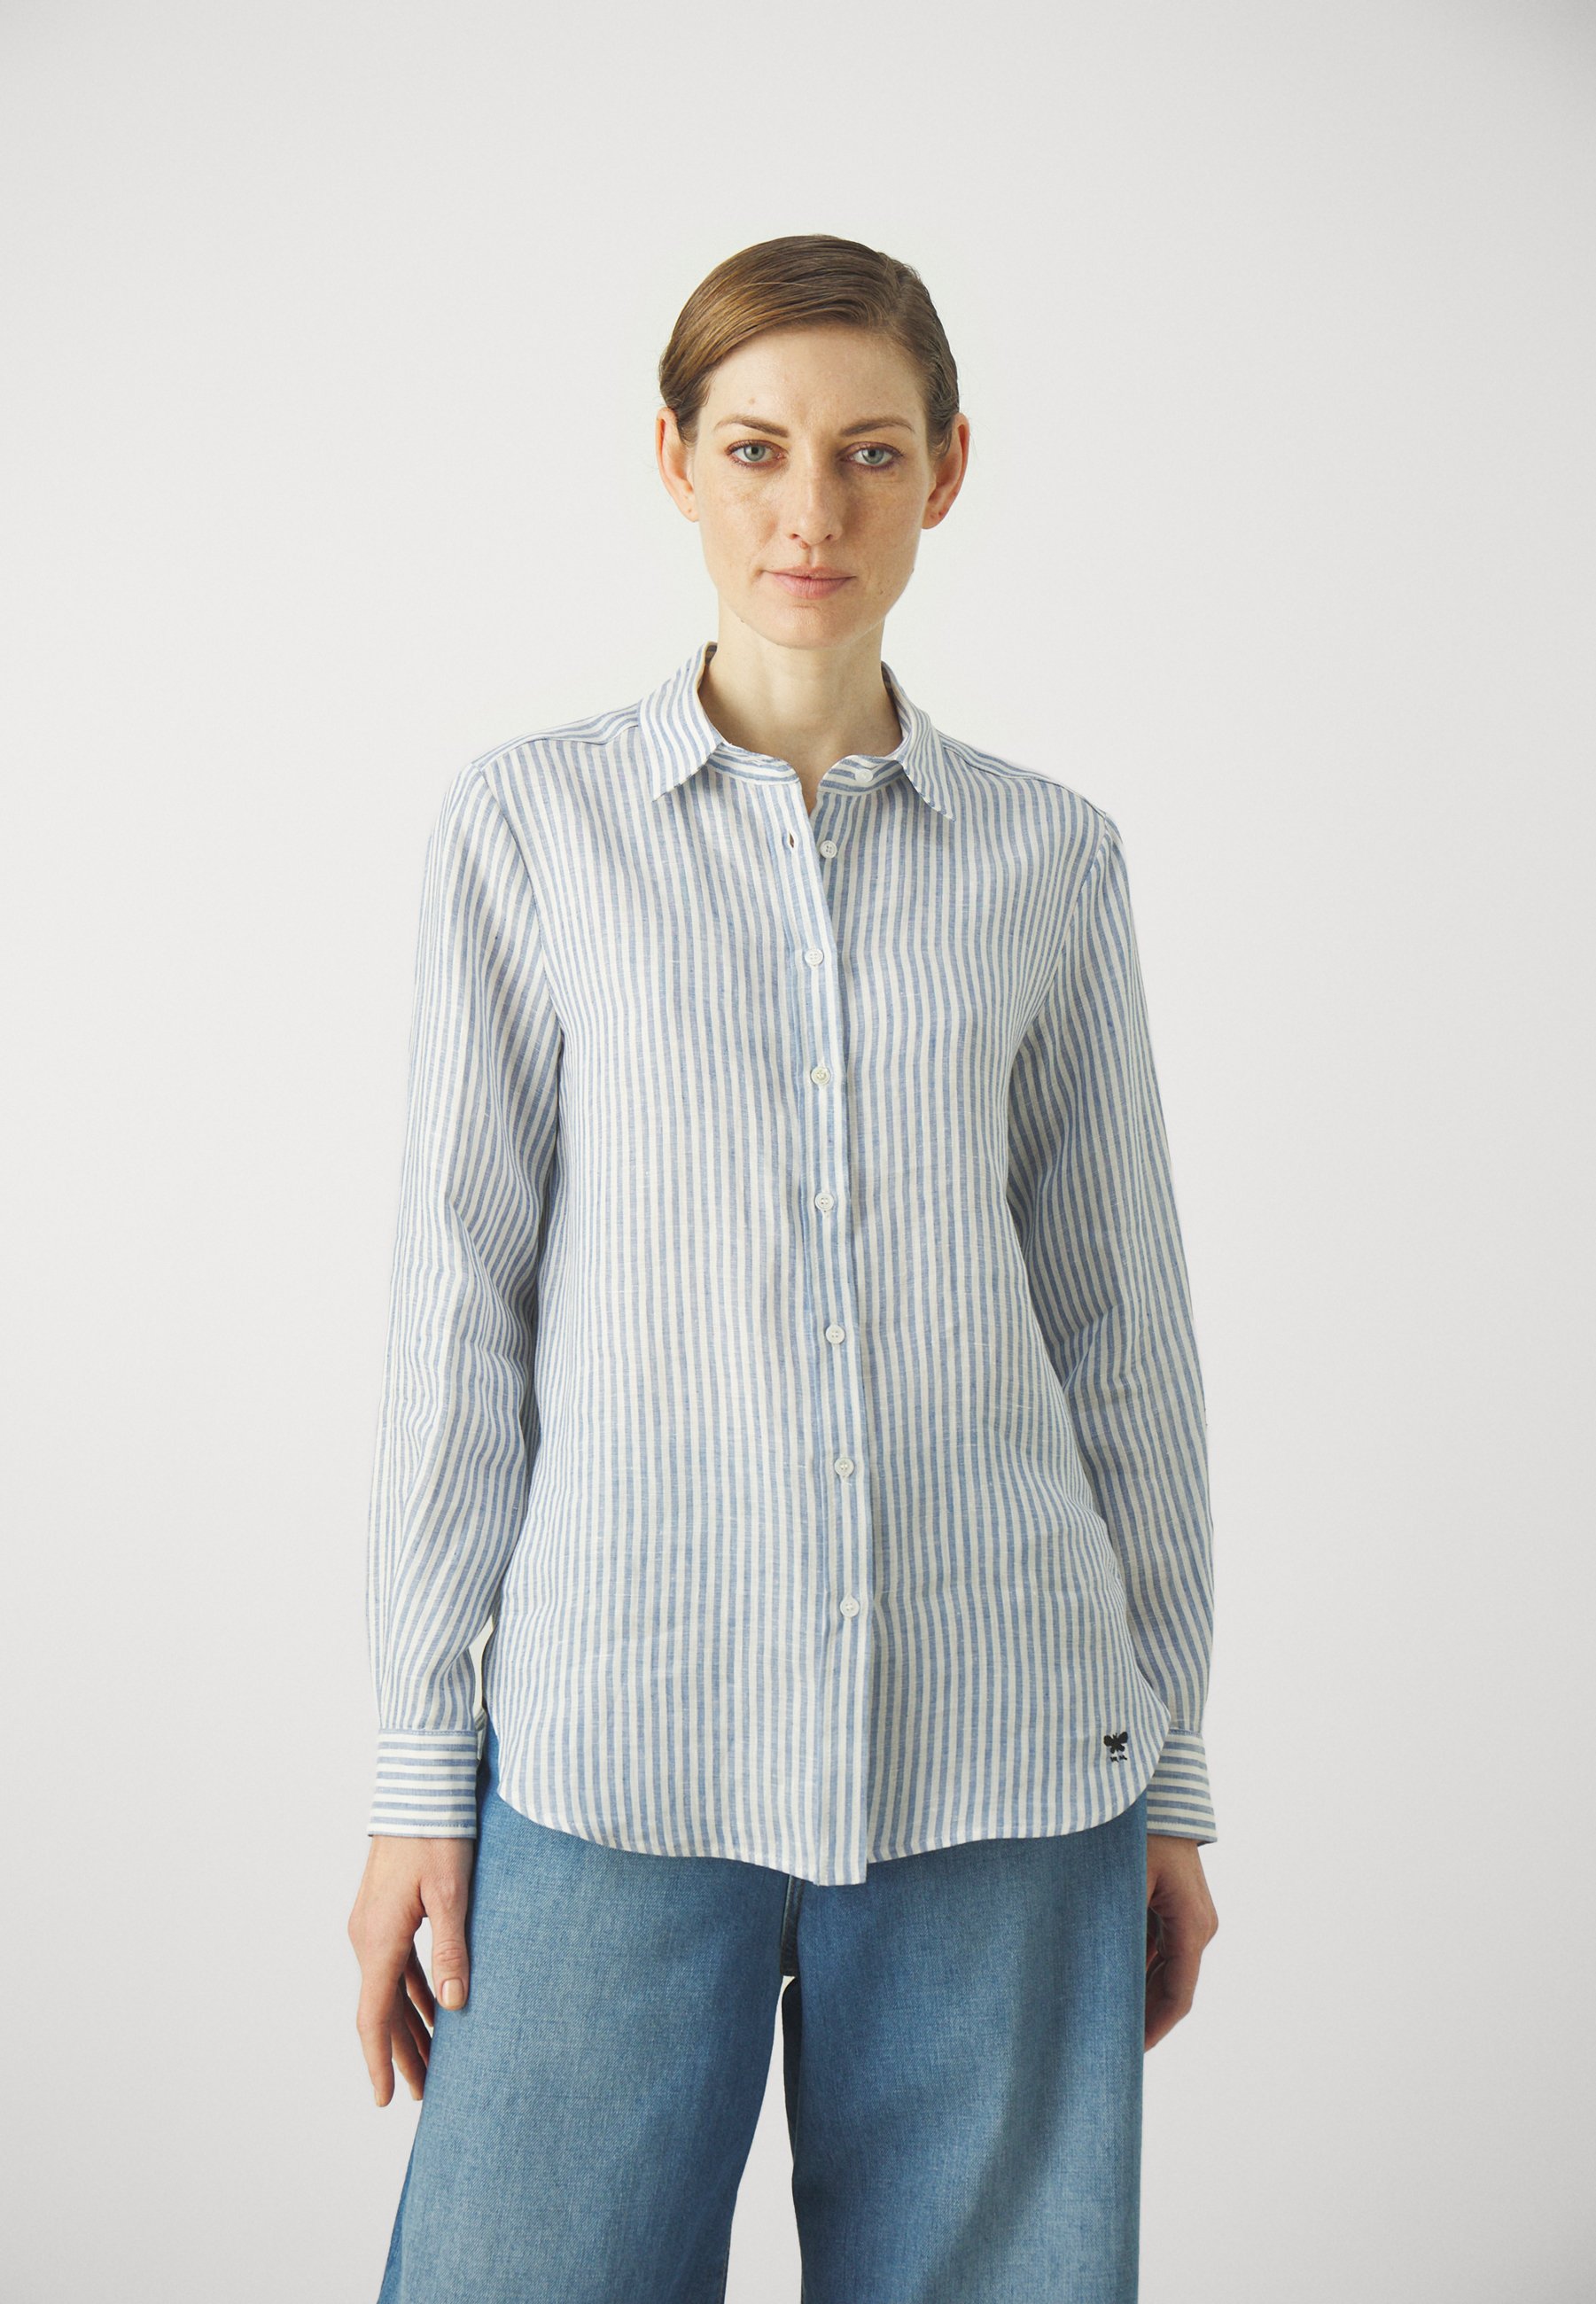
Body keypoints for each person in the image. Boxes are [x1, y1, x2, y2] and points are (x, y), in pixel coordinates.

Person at [348, 232, 1219, 2304]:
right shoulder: (529, 832)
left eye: (867, 451)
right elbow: (456, 1316)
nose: (808, 509)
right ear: (674, 461)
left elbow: (1121, 1333)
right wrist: (415, 1772)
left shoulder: (1051, 859)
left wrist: (1172, 1769)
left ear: (946, 470)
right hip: (619, 1736)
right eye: (754, 448)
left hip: (1011, 1749)